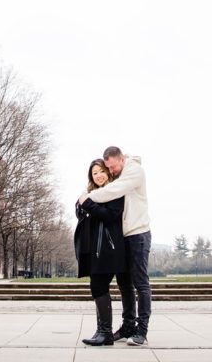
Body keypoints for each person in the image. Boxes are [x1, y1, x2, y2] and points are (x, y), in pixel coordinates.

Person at [79, 146, 152, 346]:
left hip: (138, 233)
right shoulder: (120, 173)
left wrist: (86, 199)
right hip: (124, 236)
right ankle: (128, 326)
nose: (110, 172)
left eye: (110, 168)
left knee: (140, 284)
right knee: (125, 284)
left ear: (121, 159)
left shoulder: (134, 171)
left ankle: (141, 330)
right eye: (107, 169)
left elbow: (114, 191)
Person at [74, 159, 126, 347]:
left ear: (108, 172)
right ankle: (102, 331)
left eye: (102, 171)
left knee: (98, 286)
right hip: (94, 250)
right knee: (97, 287)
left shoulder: (115, 192)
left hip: (108, 249)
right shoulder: (92, 194)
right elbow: (81, 211)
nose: (98, 175)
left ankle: (105, 333)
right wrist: (83, 204)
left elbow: (110, 215)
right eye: (94, 173)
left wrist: (87, 203)